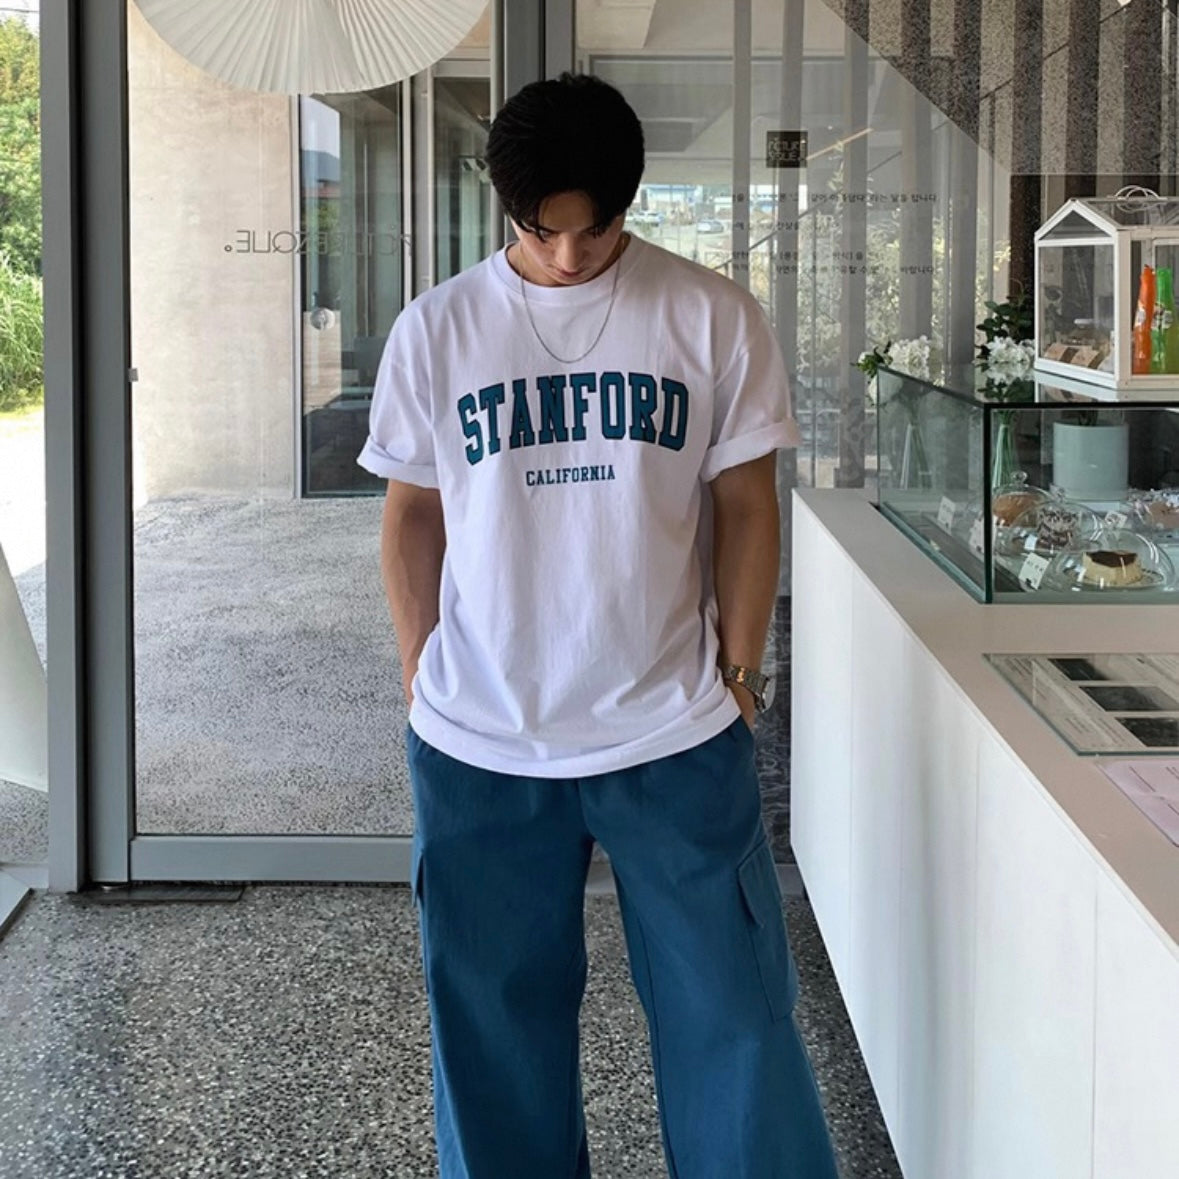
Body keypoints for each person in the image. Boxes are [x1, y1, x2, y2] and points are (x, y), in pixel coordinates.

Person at [359, 72, 839, 1179]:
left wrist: (742, 674)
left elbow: (747, 504)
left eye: (596, 227)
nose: (570, 255)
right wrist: (419, 669)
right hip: (481, 740)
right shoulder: (439, 329)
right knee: (492, 1034)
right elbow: (412, 514)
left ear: (630, 200)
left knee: (737, 1017)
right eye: (542, 230)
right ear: (505, 205)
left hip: (673, 726)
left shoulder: (709, 315)